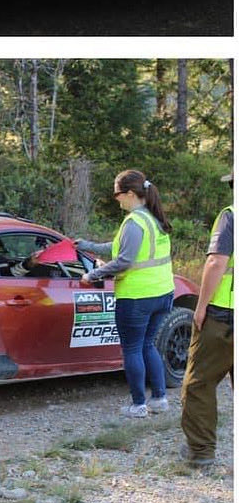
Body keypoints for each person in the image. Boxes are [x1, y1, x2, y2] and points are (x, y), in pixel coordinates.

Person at [75, 169, 175, 418]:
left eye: (117, 194)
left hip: (137, 296)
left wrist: (92, 276)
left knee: (131, 349)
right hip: (162, 293)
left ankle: (138, 405)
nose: (116, 198)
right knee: (148, 344)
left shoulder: (134, 221)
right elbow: (122, 247)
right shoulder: (153, 218)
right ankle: (160, 400)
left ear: (130, 193)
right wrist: (88, 246)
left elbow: (124, 260)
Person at [179, 175, 233, 467]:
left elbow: (216, 262)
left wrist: (201, 305)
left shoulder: (231, 216)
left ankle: (200, 454)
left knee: (199, 385)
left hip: (225, 315)